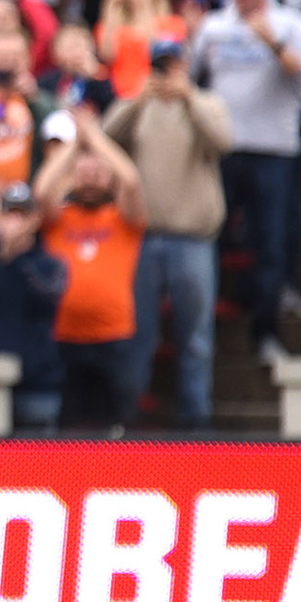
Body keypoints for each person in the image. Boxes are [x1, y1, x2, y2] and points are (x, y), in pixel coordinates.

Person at [191, 0, 301, 366]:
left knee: (271, 244)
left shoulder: (291, 24)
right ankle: (208, 327)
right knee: (209, 237)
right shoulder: (213, 27)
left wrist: (275, 45)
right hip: (224, 149)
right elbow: (194, 79)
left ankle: (265, 333)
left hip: (274, 151)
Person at [105, 39, 233, 427]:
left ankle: (197, 420)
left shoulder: (207, 103)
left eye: (173, 63)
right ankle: (128, 418)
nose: (167, 73)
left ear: (186, 65)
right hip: (142, 238)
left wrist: (189, 98)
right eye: (160, 64)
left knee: (195, 337)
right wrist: (136, 102)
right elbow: (103, 138)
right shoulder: (136, 105)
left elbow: (224, 143)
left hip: (192, 237)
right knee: (138, 336)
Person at [35, 108, 145, 430]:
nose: (91, 177)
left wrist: (95, 138)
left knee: (116, 426)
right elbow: (42, 191)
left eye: (98, 172)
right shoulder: (59, 219)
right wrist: (74, 145)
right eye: (84, 173)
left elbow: (131, 180)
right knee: (68, 428)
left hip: (115, 336)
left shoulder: (124, 219)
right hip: (64, 336)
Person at [0, 182, 67, 429]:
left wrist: (13, 257)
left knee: (39, 463)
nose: (14, 222)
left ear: (35, 220)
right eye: (9, 214)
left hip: (37, 386)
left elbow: (45, 297)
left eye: (22, 215)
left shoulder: (50, 265)